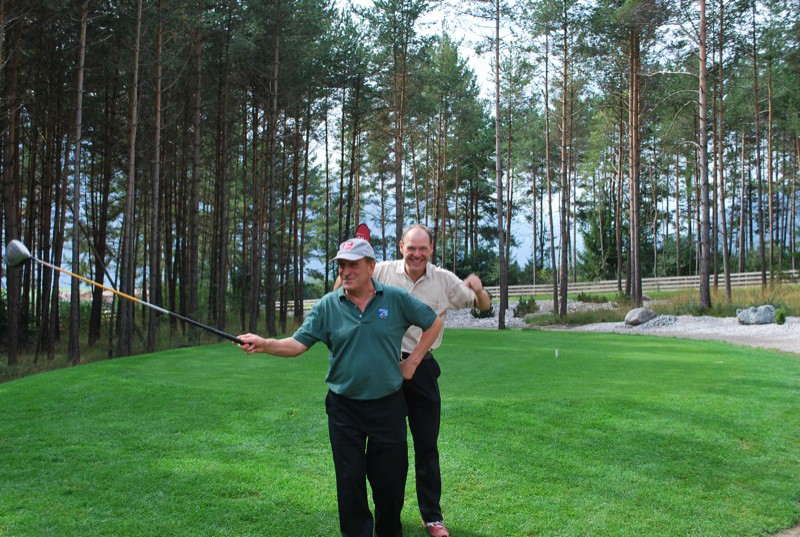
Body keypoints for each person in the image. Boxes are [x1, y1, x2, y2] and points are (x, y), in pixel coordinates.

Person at [238, 237, 443, 537]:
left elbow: (433, 323)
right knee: (349, 482)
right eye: (341, 265)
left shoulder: (395, 299)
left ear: (371, 267)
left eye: (353, 265)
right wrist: (265, 344)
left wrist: (412, 362)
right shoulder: (328, 306)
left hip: (388, 406)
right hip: (344, 409)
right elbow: (297, 344)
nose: (346, 271)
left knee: (390, 482)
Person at [337, 224, 490, 537]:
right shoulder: (381, 271)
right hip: (384, 369)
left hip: (421, 370)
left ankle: (432, 516)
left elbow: (483, 306)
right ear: (401, 247)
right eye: (411, 248)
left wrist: (477, 288)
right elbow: (344, 288)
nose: (417, 254)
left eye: (423, 248)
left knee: (426, 445)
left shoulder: (444, 280)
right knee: (387, 450)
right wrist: (351, 261)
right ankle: (386, 517)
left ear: (431, 249)